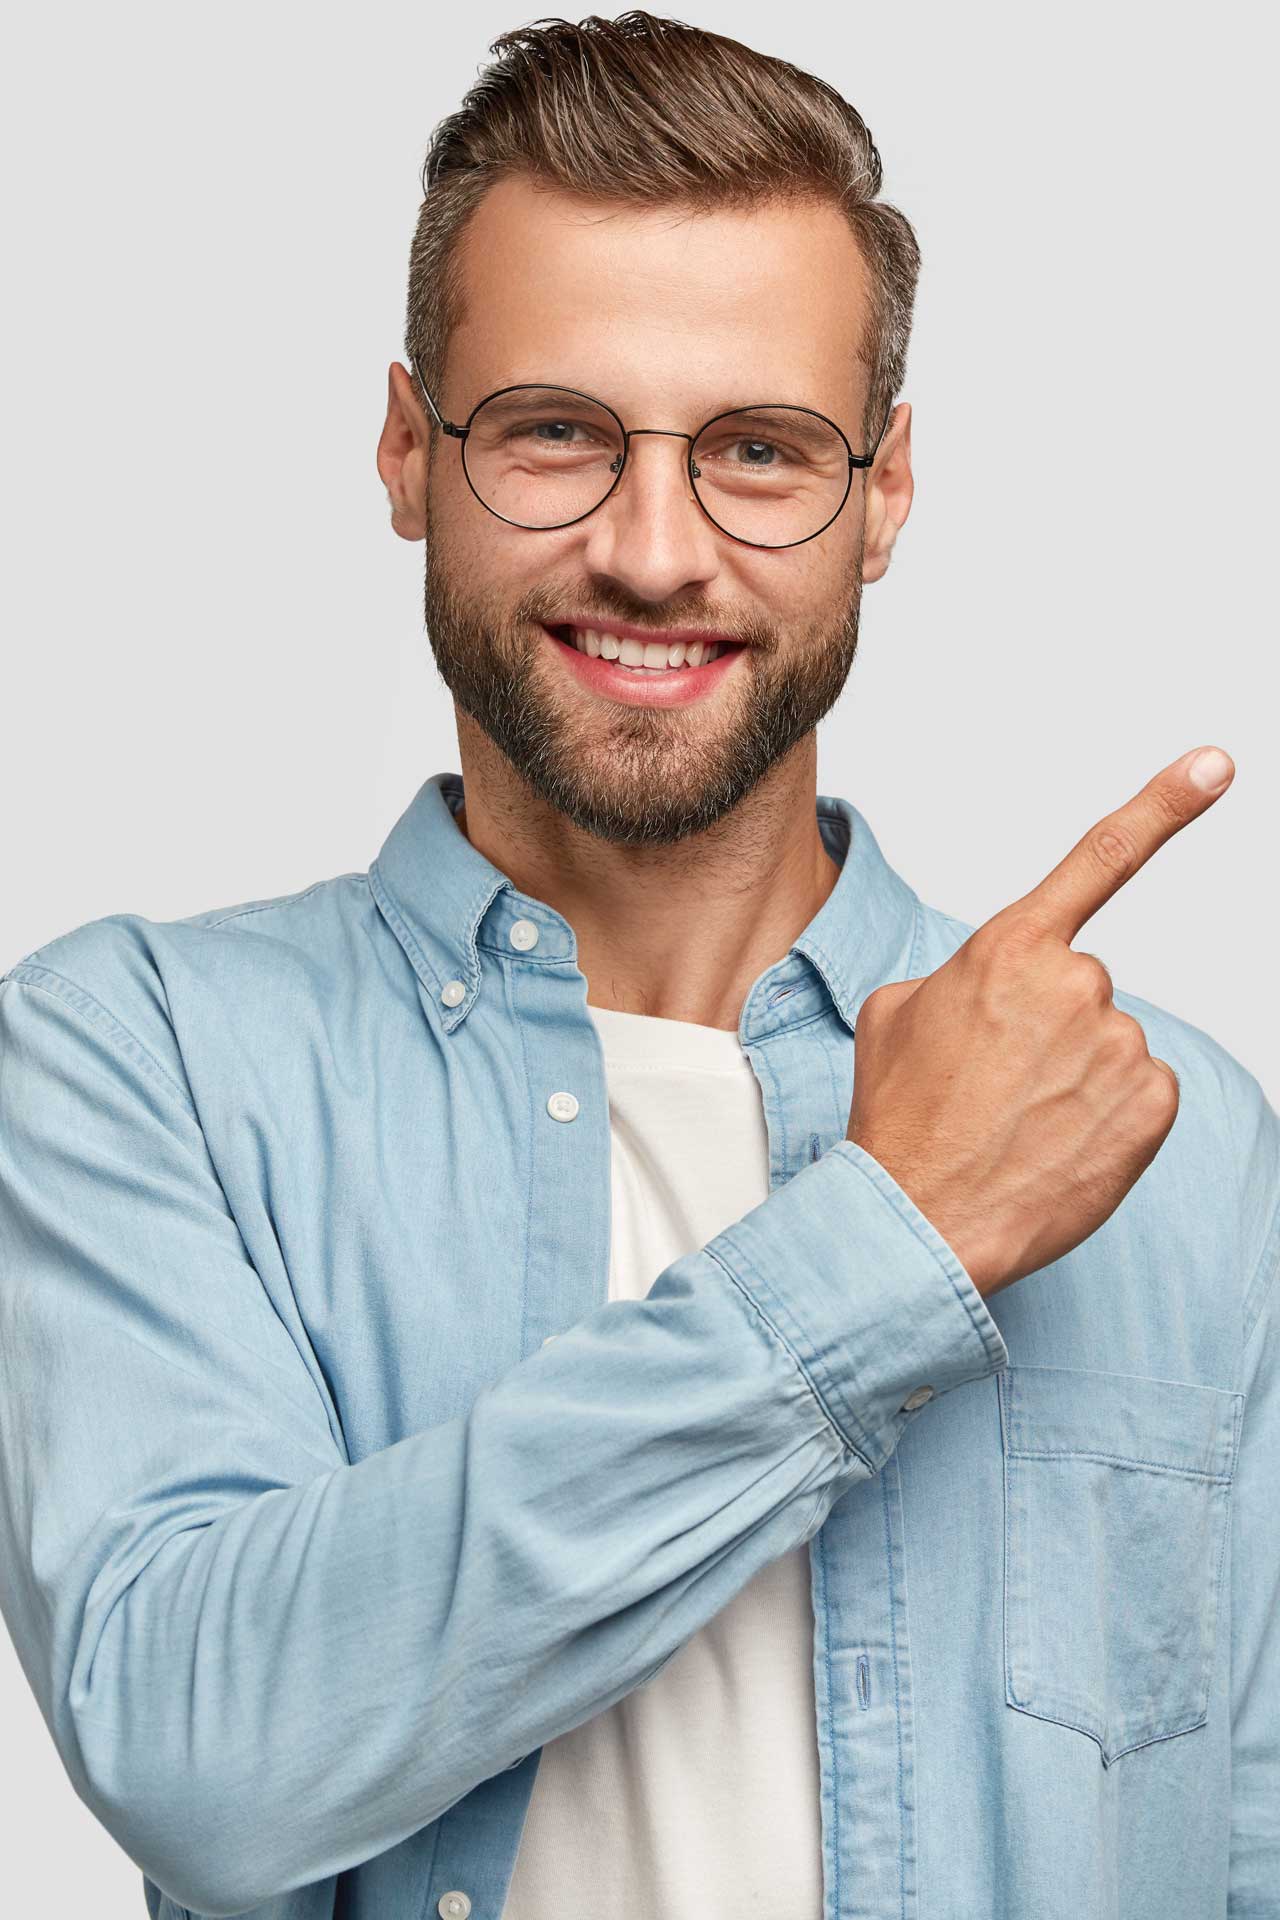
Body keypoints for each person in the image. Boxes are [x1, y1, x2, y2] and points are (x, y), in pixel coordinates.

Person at [0, 12, 1274, 1919]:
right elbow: (199, 1754)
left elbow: (1237, 1838)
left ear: (889, 491)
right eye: (555, 436)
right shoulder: (136, 1060)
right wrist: (894, 1237)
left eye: (760, 451)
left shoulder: (1169, 1127)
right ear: (407, 455)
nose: (656, 551)